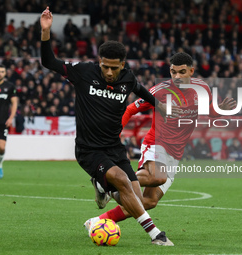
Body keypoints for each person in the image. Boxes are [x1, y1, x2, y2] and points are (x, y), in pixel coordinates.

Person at [40, 7, 178, 246]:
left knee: (135, 199)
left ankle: (102, 192)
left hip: (114, 148)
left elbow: (144, 93)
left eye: (115, 67)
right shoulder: (83, 72)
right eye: (105, 66)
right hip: (88, 150)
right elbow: (48, 61)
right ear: (99, 62)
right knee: (122, 180)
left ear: (122, 65)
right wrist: (45, 32)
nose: (110, 72)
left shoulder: (128, 78)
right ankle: (156, 235)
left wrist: (163, 108)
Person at [84, 52, 235, 231]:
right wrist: (114, 133)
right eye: (173, 72)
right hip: (157, 143)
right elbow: (131, 109)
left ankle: (97, 221)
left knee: (148, 201)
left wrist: (220, 110)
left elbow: (208, 110)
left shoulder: (202, 89)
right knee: (157, 176)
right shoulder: (161, 91)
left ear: (191, 71)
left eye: (182, 72)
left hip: (175, 153)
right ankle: (110, 182)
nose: (177, 76)